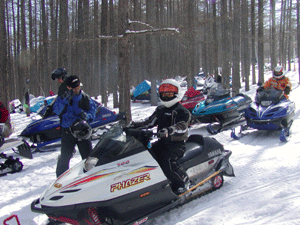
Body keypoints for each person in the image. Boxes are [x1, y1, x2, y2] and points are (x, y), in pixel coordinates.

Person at [130, 78, 191, 194]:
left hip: (176, 145)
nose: (166, 97)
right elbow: (149, 122)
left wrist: (169, 130)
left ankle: (183, 182)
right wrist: (133, 125)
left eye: (169, 94)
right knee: (147, 156)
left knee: (166, 161)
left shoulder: (181, 111)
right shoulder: (160, 110)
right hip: (162, 142)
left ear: (176, 94)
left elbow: (182, 126)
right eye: (164, 94)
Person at [53, 75, 97, 177]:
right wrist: (65, 100)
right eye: (74, 88)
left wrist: (86, 116)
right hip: (68, 132)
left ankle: (90, 177)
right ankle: (60, 180)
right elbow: (56, 110)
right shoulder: (62, 98)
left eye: (78, 88)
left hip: (83, 131)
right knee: (65, 157)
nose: (77, 90)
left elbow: (93, 113)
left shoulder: (85, 98)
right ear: (68, 88)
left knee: (88, 158)